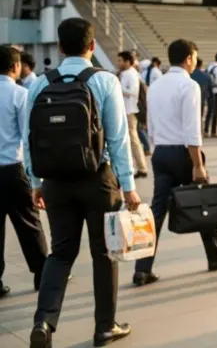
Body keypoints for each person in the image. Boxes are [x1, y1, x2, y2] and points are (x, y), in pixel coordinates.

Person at [24, 18, 140, 348]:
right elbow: (118, 139)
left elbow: (29, 138)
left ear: (60, 47)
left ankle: (44, 322)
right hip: (97, 180)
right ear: (92, 46)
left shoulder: (39, 84)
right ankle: (105, 327)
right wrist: (128, 185)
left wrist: (35, 181)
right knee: (104, 252)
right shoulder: (104, 81)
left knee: (60, 253)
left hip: (55, 181)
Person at [132, 39, 217, 288]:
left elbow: (150, 124)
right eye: (194, 57)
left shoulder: (156, 85)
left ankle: (142, 268)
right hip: (183, 153)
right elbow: (192, 130)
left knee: (157, 211)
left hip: (161, 152)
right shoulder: (189, 85)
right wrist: (198, 164)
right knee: (202, 201)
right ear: (188, 59)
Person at [0, 46, 47, 298]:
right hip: (13, 169)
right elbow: (28, 139)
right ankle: (41, 273)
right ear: (16, 66)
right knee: (29, 223)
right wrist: (36, 177)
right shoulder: (20, 94)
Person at [117, 51, 150, 178]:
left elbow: (133, 92)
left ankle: (142, 168)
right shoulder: (124, 73)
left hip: (130, 110)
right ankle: (136, 167)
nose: (118, 63)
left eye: (120, 60)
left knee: (133, 140)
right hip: (125, 110)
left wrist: (118, 88)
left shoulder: (131, 74)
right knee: (130, 140)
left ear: (127, 62)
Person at [191, 58, 213, 127]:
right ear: (201, 65)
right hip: (202, 99)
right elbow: (210, 89)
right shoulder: (206, 76)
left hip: (190, 100)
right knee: (199, 116)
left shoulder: (188, 75)